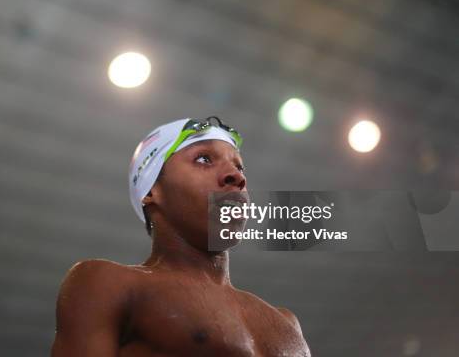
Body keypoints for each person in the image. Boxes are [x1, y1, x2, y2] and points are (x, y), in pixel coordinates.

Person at [51, 117, 311, 356]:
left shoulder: (287, 322)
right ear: (152, 190)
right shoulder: (106, 283)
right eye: (204, 159)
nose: (237, 177)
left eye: (239, 166)